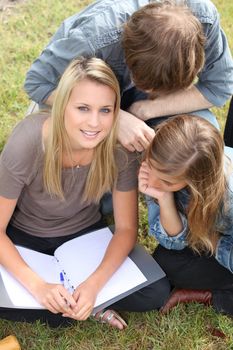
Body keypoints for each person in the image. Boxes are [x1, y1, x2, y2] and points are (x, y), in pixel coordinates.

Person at [0, 57, 170, 329]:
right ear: (62, 106)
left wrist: (93, 286)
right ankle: (73, 306)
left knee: (156, 291)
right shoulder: (28, 141)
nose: (94, 123)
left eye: (105, 110)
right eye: (82, 108)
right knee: (34, 301)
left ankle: (85, 302)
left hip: (85, 236)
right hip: (26, 237)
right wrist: (38, 286)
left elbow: (126, 228)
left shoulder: (119, 148)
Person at [24, 0, 233, 153]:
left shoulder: (204, 19)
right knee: (97, 198)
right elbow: (37, 83)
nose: (151, 92)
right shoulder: (96, 36)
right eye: (148, 85)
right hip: (83, 97)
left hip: (138, 104)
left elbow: (218, 87)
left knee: (199, 150)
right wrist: (115, 118)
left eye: (158, 89)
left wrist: (146, 109)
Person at [138, 114, 233, 316]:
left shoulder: (230, 195)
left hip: (224, 248)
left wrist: (211, 241)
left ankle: (211, 295)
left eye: (168, 182)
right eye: (152, 165)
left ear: (198, 180)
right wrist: (164, 198)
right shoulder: (164, 164)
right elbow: (173, 243)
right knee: (166, 262)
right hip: (211, 242)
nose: (153, 181)